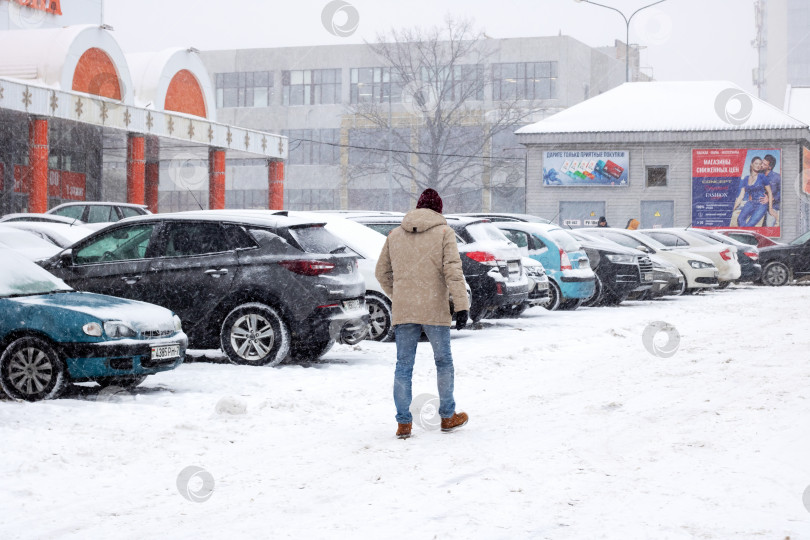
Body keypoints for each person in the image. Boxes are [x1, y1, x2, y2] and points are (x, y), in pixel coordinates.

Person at [375, 188, 470, 440]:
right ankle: (448, 416)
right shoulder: (444, 233)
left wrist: (399, 295)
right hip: (434, 307)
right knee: (443, 362)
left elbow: (381, 273)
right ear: (438, 210)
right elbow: (453, 270)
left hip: (405, 310)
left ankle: (403, 423)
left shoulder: (394, 235)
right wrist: (461, 305)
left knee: (403, 366)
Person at [733, 156, 774, 227]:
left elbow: (770, 192)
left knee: (750, 225)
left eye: (760, 164)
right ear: (752, 164)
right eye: (756, 163)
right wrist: (733, 208)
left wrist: (770, 209)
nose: (758, 165)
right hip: (751, 203)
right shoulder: (746, 178)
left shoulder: (762, 177)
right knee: (740, 219)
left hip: (761, 204)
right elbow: (741, 196)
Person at [759, 154, 781, 228]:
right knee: (763, 227)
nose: (761, 165)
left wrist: (772, 198)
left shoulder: (777, 177)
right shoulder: (759, 175)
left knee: (769, 226)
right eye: (762, 162)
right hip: (762, 205)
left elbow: (782, 193)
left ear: (770, 167)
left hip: (774, 206)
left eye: (764, 164)